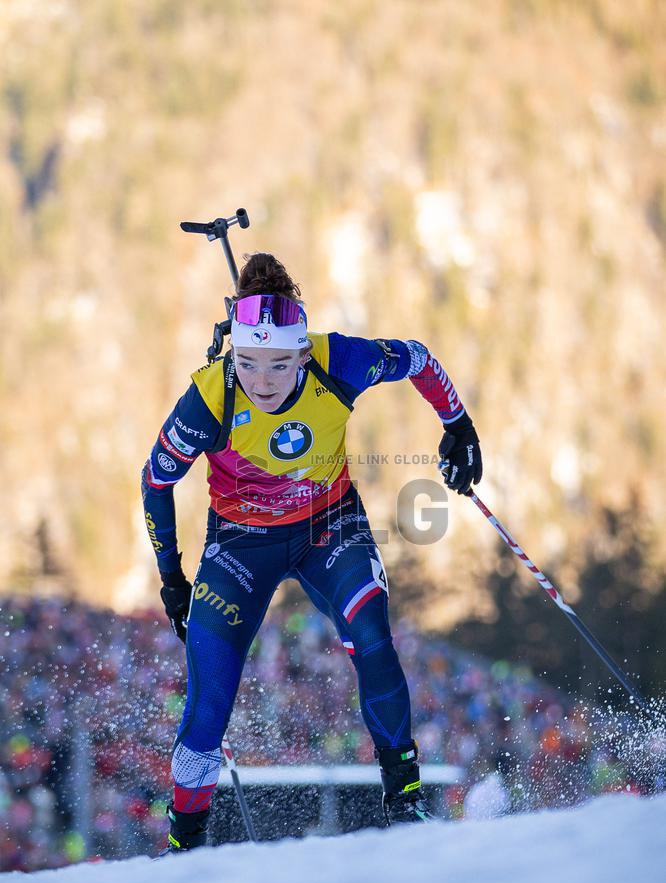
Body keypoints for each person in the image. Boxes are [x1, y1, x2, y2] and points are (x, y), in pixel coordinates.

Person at [142, 252, 482, 851]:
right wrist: (171, 578)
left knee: (372, 631)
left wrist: (457, 425)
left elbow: (419, 359)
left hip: (330, 526)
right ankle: (184, 841)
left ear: (303, 353)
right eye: (247, 362)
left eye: (278, 365)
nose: (262, 380)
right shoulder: (210, 395)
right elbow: (156, 480)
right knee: (208, 704)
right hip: (241, 548)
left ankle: (404, 800)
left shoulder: (338, 360)